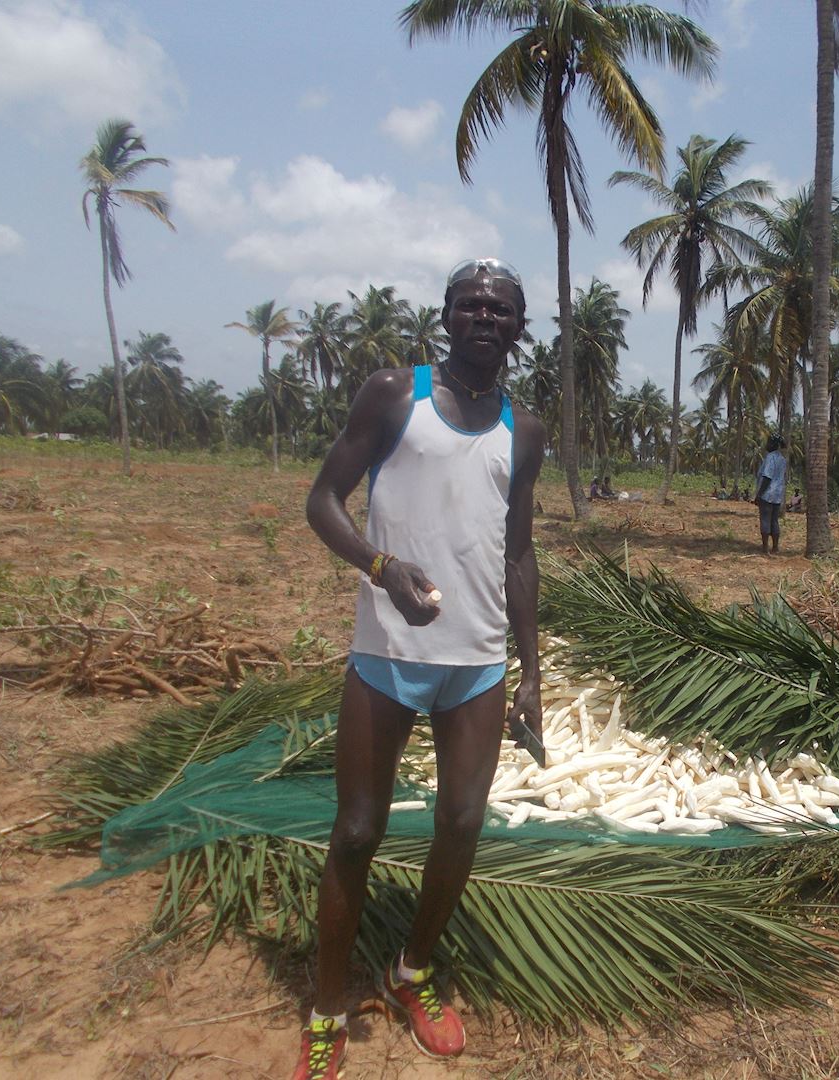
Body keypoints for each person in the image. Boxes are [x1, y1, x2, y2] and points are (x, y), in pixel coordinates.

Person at [298, 257, 544, 1078]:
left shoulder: (525, 429)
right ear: (445, 316)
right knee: (359, 830)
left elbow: (517, 554)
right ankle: (329, 1008)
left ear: (518, 326)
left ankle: (412, 973)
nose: (484, 317)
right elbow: (322, 500)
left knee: (463, 823)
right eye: (469, 304)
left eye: (500, 308)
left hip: (474, 663)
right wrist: (380, 568)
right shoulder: (392, 395)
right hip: (387, 656)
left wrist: (532, 674)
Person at [754, 434, 787, 555]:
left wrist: (759, 494)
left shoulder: (770, 458)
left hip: (767, 494)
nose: (767, 445)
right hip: (778, 495)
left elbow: (767, 477)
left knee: (765, 520)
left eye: (769, 442)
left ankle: (765, 548)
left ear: (774, 444)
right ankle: (775, 547)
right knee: (774, 521)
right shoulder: (782, 459)